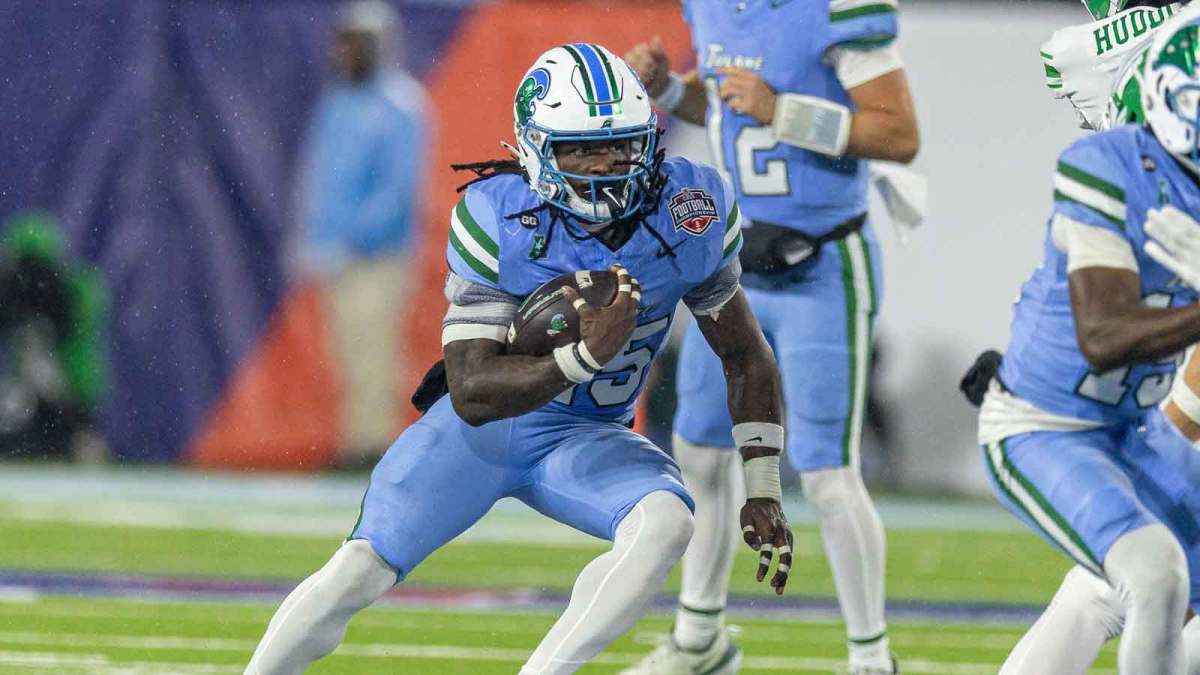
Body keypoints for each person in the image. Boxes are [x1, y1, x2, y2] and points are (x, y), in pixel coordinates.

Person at [244, 43, 793, 675]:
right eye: (582, 148)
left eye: (622, 145)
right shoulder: (499, 218)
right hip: (484, 433)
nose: (608, 165)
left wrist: (764, 485)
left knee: (667, 522)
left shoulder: (688, 209)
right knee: (356, 573)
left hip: (588, 435)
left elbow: (745, 356)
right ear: (536, 149)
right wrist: (583, 358)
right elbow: (472, 390)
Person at [622, 1, 919, 673]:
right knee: (697, 449)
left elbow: (899, 133)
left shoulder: (836, 9)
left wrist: (787, 112)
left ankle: (872, 658)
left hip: (822, 263)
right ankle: (700, 639)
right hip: (733, 265)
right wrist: (671, 90)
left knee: (827, 475)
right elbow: (731, 109)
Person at [957, 3, 1200, 673]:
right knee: (1143, 577)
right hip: (1070, 412)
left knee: (1132, 581)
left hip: (1136, 409)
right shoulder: (1113, 161)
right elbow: (1100, 322)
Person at [294, 0, 429, 463]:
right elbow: (319, 178)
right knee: (347, 352)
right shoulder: (337, 101)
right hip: (337, 252)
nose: (343, 52)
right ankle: (358, 440)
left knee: (375, 349)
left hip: (379, 255)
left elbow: (397, 188)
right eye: (341, 42)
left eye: (354, 43)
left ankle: (374, 446)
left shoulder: (401, 104)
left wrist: (355, 234)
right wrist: (313, 239)